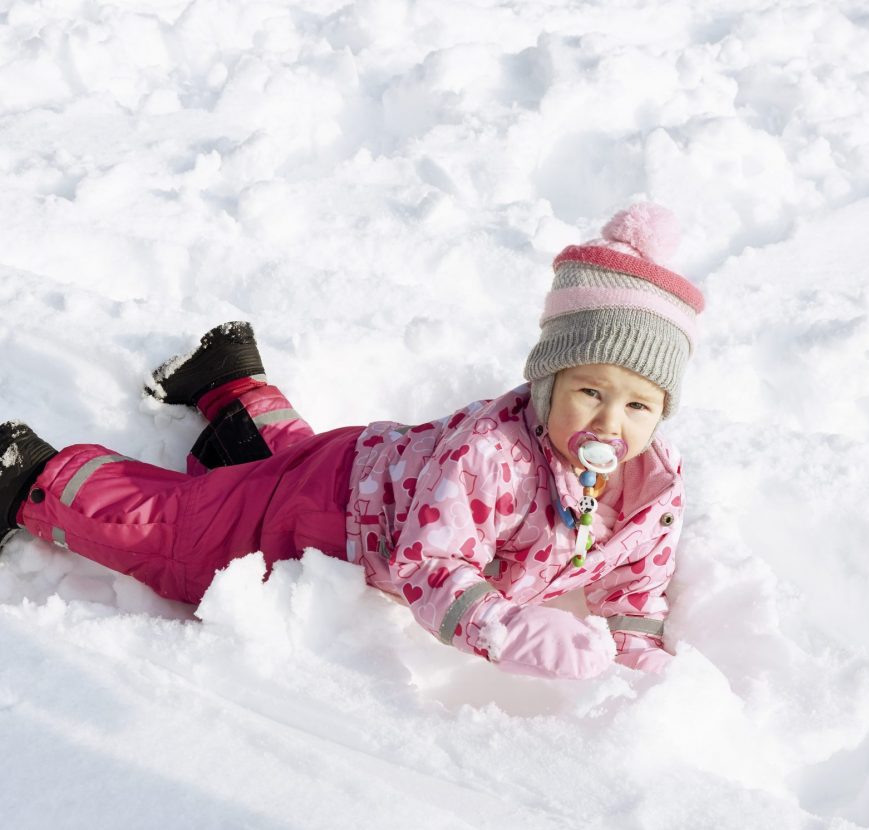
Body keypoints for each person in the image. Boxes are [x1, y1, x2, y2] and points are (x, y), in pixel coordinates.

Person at [0, 202, 704, 680]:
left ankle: (232, 382)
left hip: (361, 473)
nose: (611, 422)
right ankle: (29, 472)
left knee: (272, 473)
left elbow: (635, 584)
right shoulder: (493, 456)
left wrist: (638, 660)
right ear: (548, 385)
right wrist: (508, 630)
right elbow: (431, 566)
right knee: (190, 542)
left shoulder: (651, 494)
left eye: (638, 404)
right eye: (589, 392)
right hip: (334, 511)